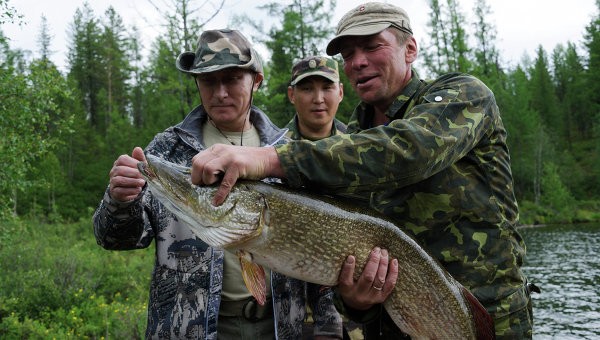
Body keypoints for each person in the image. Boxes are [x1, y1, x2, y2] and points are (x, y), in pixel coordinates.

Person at [188, 3, 533, 339]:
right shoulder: (349, 142)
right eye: (349, 54)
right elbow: (342, 267)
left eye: (372, 46)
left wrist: (270, 158)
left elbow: (406, 151)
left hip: (485, 317)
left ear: (410, 49)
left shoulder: (463, 95)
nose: (358, 62)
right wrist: (355, 301)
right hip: (394, 327)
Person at [92, 28, 343, 339]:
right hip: (189, 329)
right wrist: (120, 200)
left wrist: (328, 328)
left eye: (233, 79)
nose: (220, 92)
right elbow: (118, 238)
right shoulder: (167, 150)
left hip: (277, 328)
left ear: (256, 81)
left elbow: (322, 254)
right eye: (209, 81)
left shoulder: (287, 153)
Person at [285, 55, 346, 140]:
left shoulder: (357, 143)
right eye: (307, 89)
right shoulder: (272, 148)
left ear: (340, 92)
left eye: (327, 88)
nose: (318, 99)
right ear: (292, 95)